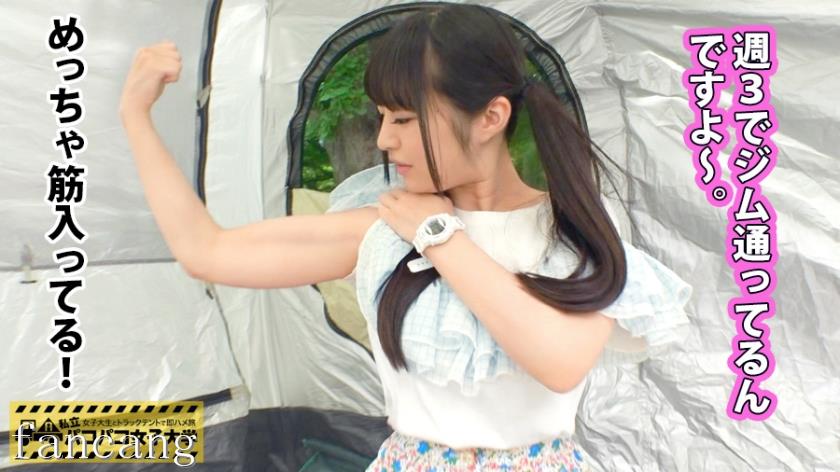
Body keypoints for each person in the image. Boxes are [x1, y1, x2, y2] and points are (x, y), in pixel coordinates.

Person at [120, 4, 692, 471]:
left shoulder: (575, 231)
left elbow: (559, 361)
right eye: (381, 118)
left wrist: (438, 235)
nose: (384, 141)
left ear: (490, 117)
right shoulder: (384, 225)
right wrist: (136, 117)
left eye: (404, 118)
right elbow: (208, 251)